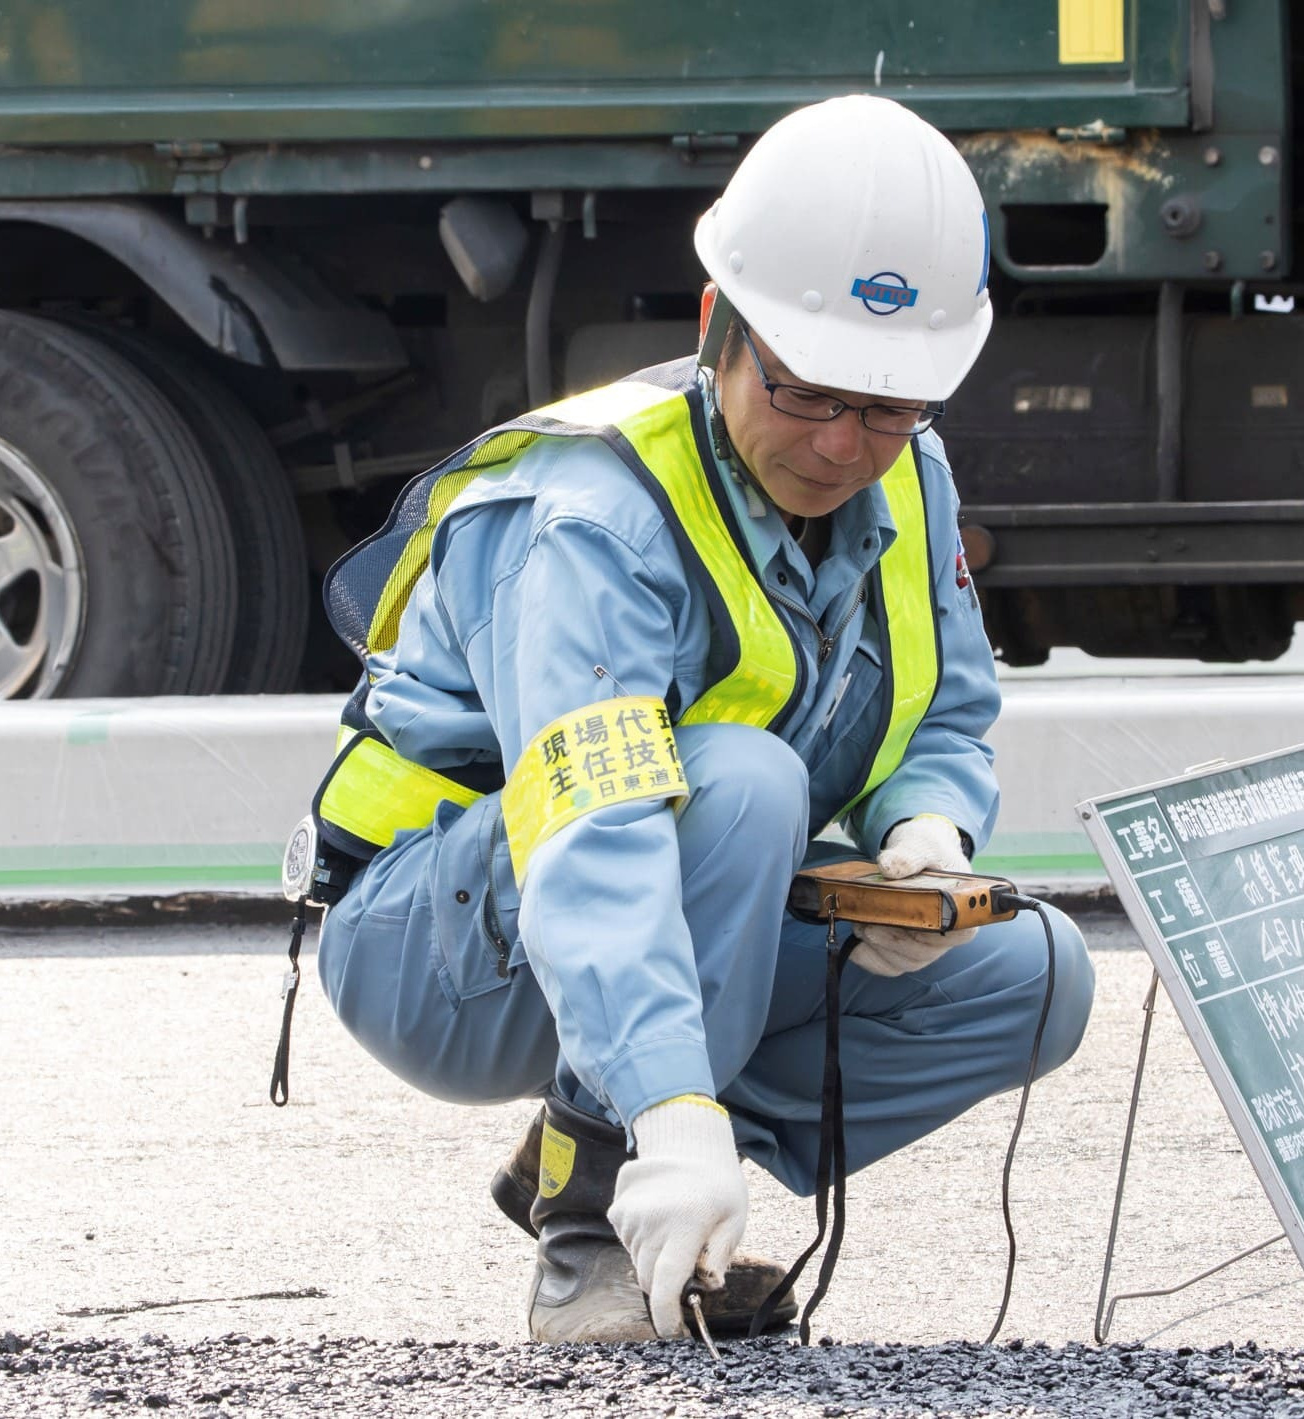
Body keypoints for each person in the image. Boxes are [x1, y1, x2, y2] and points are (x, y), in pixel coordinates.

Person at [306, 94, 1096, 1344]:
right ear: (717, 325)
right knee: (740, 781)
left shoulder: (911, 470)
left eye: (890, 409)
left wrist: (926, 830)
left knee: (1038, 974)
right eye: (808, 395)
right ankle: (598, 1217)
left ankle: (640, 1167)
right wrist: (674, 1107)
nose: (845, 447)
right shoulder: (586, 516)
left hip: (684, 892)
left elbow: (945, 709)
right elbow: (600, 830)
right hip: (445, 942)